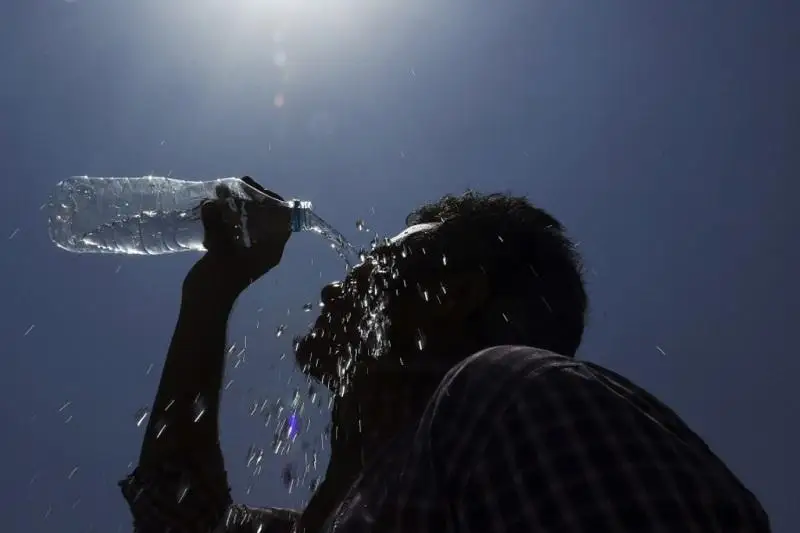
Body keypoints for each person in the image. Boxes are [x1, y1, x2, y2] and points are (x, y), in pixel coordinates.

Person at [121, 177, 770, 533]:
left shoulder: (509, 398)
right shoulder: (341, 514)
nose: (332, 285)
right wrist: (211, 289)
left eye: (377, 265)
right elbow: (179, 516)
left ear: (453, 296)